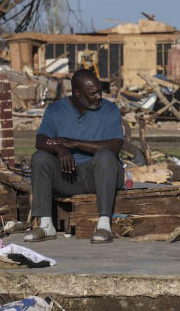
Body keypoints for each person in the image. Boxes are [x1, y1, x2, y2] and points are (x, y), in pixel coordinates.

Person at [24, 68, 124, 244]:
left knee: (106, 157)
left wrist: (75, 143)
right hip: (68, 176)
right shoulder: (56, 110)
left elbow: (115, 146)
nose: (99, 96)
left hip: (98, 176)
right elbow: (41, 140)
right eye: (93, 93)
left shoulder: (110, 110)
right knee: (40, 157)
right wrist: (60, 149)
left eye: (100, 91)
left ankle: (104, 225)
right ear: (78, 93)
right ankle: (46, 225)